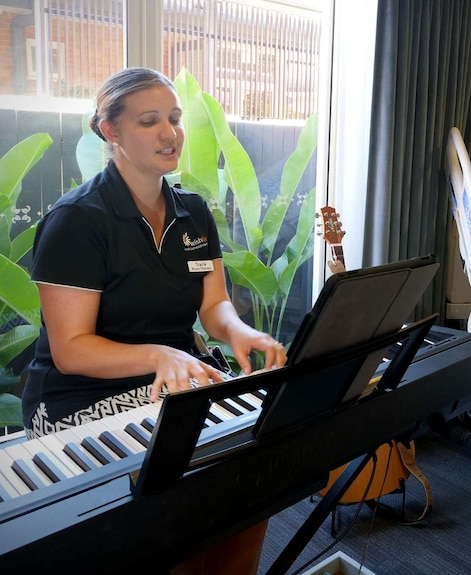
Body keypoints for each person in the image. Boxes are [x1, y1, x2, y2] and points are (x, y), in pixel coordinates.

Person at [22, 67, 285, 574]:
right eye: (149, 121)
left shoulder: (193, 211)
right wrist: (160, 353)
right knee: (179, 502)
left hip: (177, 380)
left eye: (174, 118)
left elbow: (214, 305)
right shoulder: (77, 220)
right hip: (80, 395)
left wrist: (239, 331)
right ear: (110, 132)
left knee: (258, 477)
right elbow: (71, 349)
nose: (170, 133)